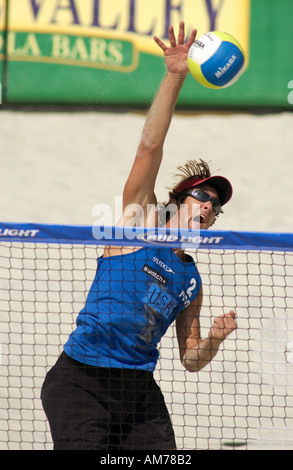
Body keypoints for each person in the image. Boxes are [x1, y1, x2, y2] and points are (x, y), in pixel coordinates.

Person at [41, 22, 237, 450]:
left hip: (138, 393)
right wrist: (174, 76)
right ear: (179, 198)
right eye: (203, 196)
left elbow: (190, 360)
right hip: (81, 381)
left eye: (215, 207)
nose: (208, 206)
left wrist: (213, 342)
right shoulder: (138, 222)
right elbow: (149, 146)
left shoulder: (191, 280)